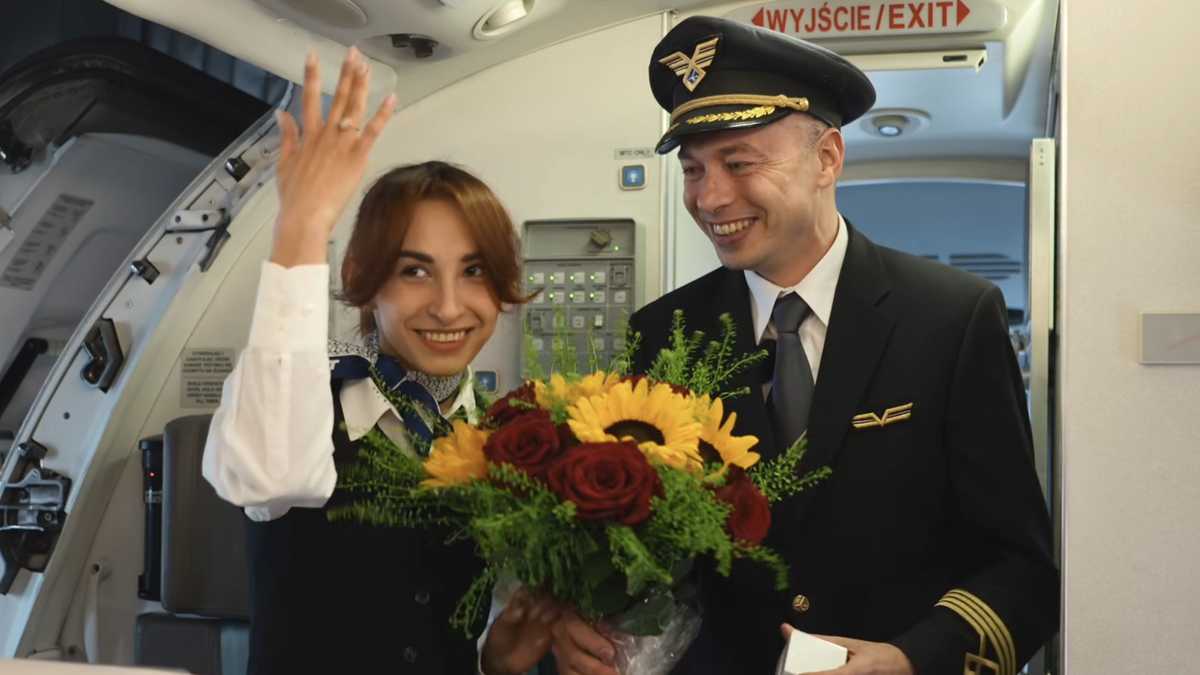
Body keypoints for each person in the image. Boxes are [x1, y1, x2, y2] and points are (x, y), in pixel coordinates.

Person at [550, 15, 1058, 675]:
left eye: (738, 163)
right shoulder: (664, 333)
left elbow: (1020, 567)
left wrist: (912, 659)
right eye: (694, 169)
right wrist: (575, 612)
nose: (709, 197)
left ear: (827, 158)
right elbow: (636, 550)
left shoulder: (951, 317)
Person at [201, 48, 557, 674]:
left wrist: (492, 663)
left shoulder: (503, 441)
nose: (449, 307)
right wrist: (302, 227)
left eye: (473, 272)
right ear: (366, 281)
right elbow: (272, 479)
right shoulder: (297, 402)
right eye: (414, 270)